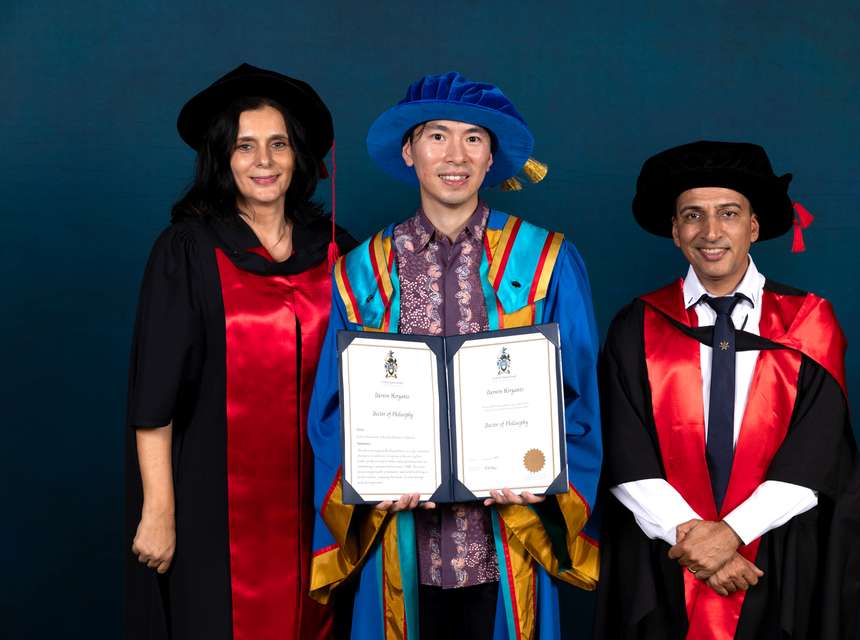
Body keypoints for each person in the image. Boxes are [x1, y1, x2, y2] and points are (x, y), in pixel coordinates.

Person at [306, 71, 602, 640]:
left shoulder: (545, 261)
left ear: (492, 158)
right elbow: (332, 410)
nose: (455, 154)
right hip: (401, 539)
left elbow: (581, 398)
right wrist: (369, 478)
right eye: (437, 135)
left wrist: (546, 478)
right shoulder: (362, 271)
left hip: (508, 536)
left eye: (474, 138)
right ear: (408, 151)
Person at [594, 141, 860, 639]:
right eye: (693, 215)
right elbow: (623, 448)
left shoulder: (809, 322)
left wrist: (732, 536)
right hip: (665, 559)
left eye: (729, 213)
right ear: (676, 231)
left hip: (774, 557)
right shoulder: (637, 324)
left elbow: (816, 452)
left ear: (754, 227)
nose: (711, 232)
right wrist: (695, 543)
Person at [126, 63, 354, 639]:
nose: (264, 161)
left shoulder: (336, 250)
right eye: (245, 146)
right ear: (222, 159)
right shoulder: (189, 250)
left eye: (278, 144)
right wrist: (158, 510)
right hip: (217, 505)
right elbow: (155, 396)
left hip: (322, 507)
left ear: (299, 155)